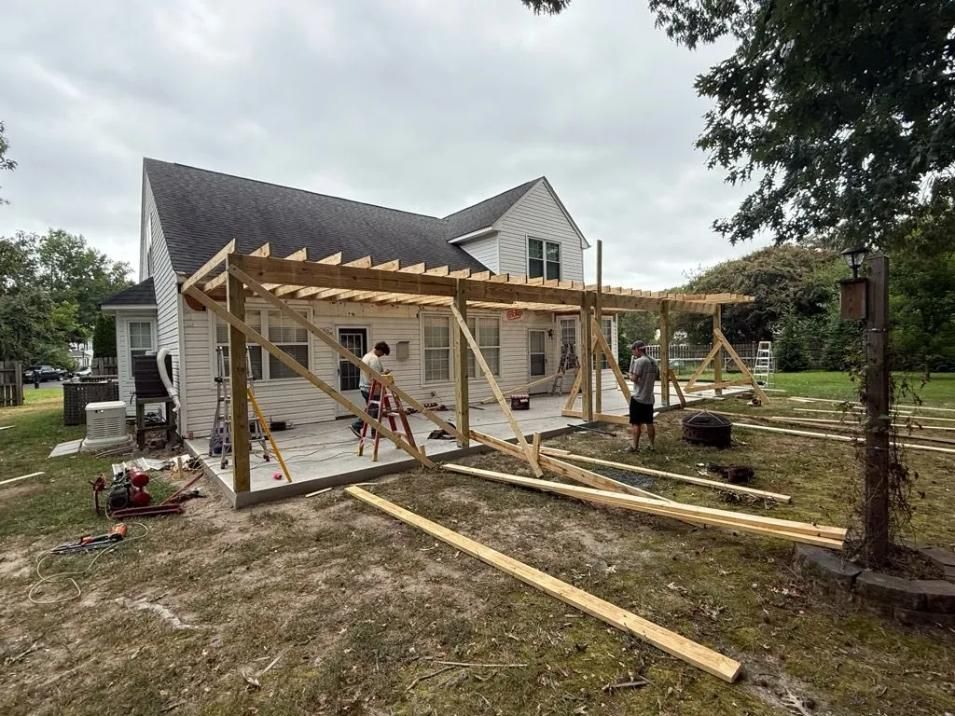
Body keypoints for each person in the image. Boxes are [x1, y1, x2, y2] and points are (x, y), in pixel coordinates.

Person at [350, 342, 391, 438]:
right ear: (379, 350)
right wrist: (385, 374)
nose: (382, 355)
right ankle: (357, 425)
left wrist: (382, 372)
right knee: (373, 411)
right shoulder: (374, 359)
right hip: (372, 388)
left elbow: (371, 373)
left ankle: (375, 432)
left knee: (373, 410)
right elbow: (376, 376)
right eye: (382, 353)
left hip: (364, 387)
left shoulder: (366, 356)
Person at [627, 340, 659, 452]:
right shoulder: (653, 361)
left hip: (638, 397)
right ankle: (652, 445)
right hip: (649, 398)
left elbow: (634, 379)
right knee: (649, 422)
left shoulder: (640, 361)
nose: (633, 353)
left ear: (637, 349)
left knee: (636, 423)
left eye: (633, 351)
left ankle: (634, 447)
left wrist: (629, 375)